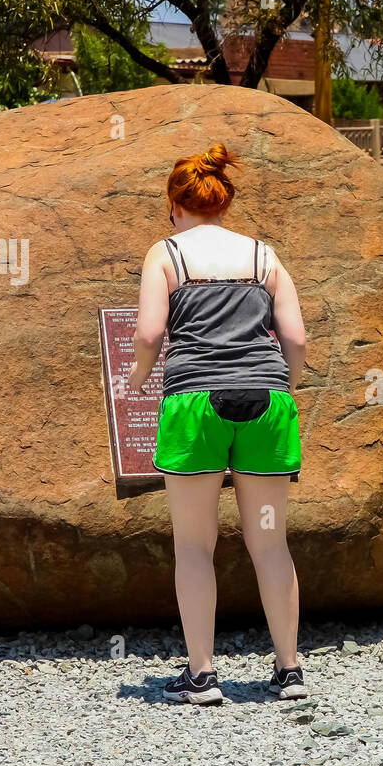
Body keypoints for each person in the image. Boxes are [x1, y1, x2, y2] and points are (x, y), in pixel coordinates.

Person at [128, 144, 309, 703]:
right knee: (270, 543)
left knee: (194, 545)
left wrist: (137, 378)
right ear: (223, 203)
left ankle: (203, 675)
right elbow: (296, 340)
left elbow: (150, 334)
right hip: (266, 402)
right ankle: (288, 671)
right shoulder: (262, 256)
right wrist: (287, 384)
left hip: (195, 405)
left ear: (175, 205)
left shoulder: (166, 255)